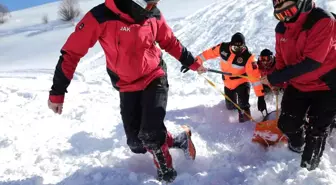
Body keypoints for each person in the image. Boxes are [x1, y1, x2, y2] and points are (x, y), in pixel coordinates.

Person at [47, 0, 206, 182]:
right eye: (150, 3)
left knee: (151, 134)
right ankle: (179, 140)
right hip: (127, 84)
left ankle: (168, 176)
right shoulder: (100, 16)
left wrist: (194, 63)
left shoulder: (153, 14)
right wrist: (57, 93)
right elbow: (71, 53)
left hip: (154, 76)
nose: (152, 7)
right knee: (137, 144)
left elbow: (169, 41)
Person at [261, 0, 336, 170]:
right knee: (286, 123)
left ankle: (310, 172)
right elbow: (280, 56)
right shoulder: (281, 28)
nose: (285, 19)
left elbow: (312, 63)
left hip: (326, 85)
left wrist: (276, 77)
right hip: (298, 84)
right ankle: (297, 145)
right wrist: (277, 79)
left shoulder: (322, 20)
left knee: (316, 132)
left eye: (289, 12)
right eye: (280, 15)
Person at [181, 32, 267, 122]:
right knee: (230, 107)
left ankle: (245, 125)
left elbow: (255, 79)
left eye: (240, 48)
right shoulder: (223, 48)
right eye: (235, 47)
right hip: (228, 83)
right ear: (230, 45)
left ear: (244, 46)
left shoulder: (248, 58)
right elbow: (207, 54)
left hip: (242, 83)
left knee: (243, 107)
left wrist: (260, 97)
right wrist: (192, 63)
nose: (237, 50)